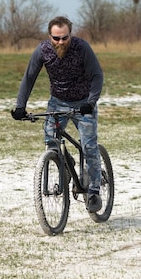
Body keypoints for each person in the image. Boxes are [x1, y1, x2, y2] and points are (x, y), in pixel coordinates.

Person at [11, 16, 104, 213]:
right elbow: (29, 78)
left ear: (70, 34)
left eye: (64, 38)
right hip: (58, 102)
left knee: (88, 145)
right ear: (49, 36)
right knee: (51, 140)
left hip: (83, 103)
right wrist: (20, 106)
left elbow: (97, 75)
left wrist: (91, 102)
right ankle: (65, 163)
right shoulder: (43, 51)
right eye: (56, 38)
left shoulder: (82, 48)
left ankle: (94, 190)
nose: (60, 42)